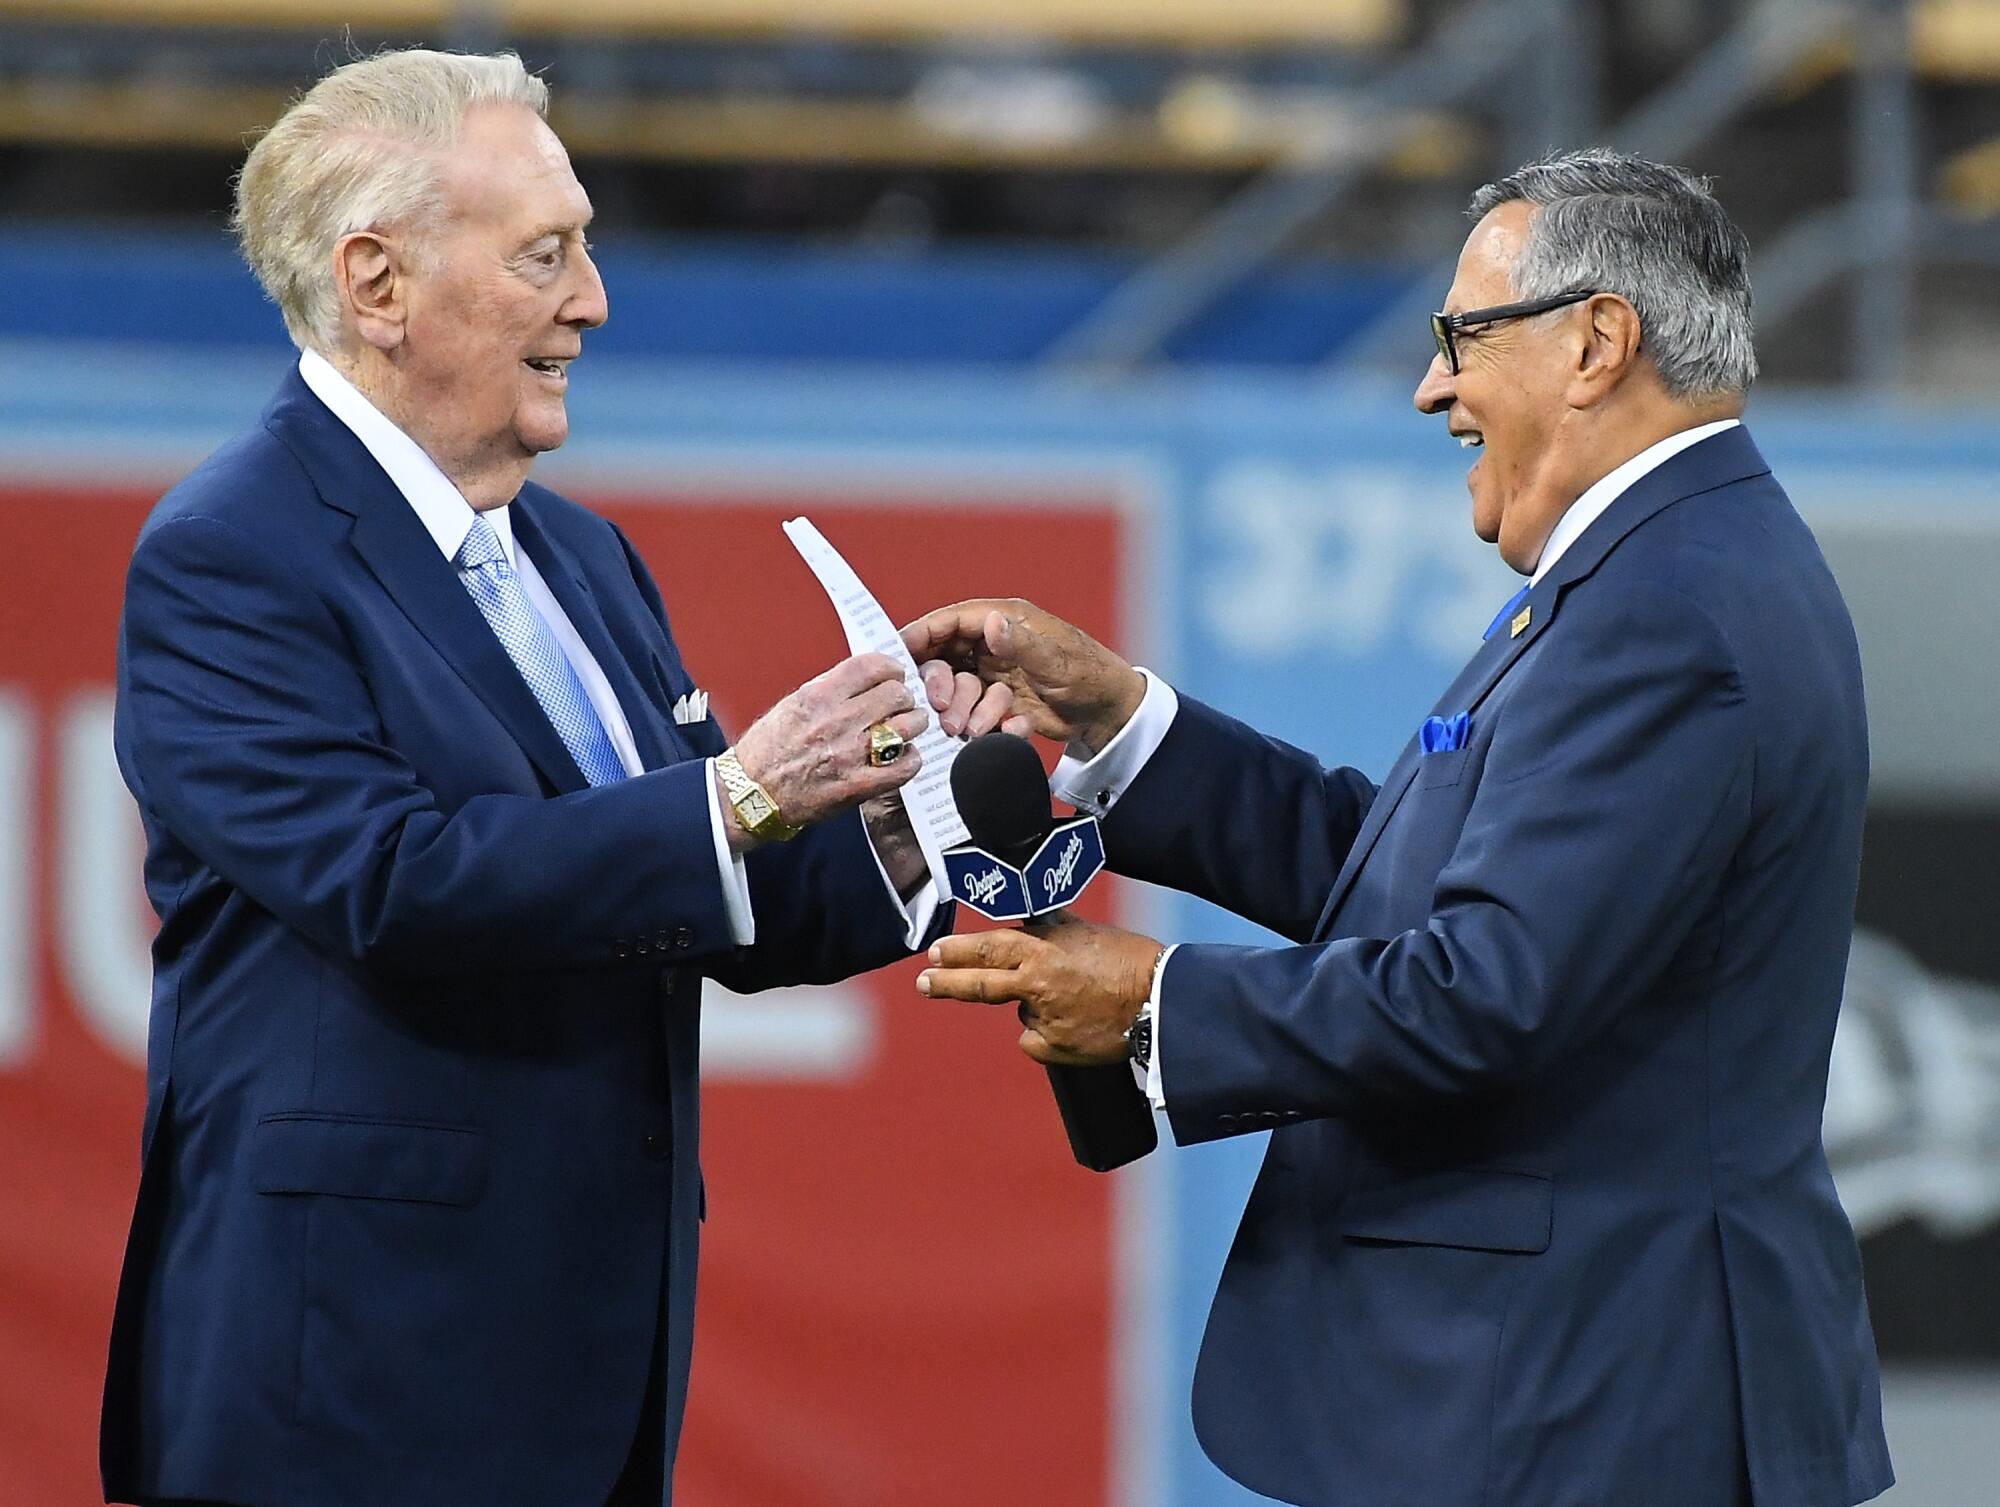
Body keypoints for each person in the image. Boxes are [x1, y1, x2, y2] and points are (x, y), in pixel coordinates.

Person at [911, 150, 1893, 1507]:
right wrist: (1126, 724)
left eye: (1460, 338)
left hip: (1588, 1408)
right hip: (1572, 1397)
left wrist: (1158, 1003)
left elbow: (1488, 990)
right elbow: (1428, 892)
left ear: (1595, 343)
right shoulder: (1673, 565)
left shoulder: (1667, 606)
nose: (1433, 387)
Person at [99, 48, 1005, 1507]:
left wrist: (923, 795)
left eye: (584, 247)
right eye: (547, 255)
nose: (593, 300)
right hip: (344, 1393)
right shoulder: (229, 555)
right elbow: (394, 883)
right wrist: (746, 792)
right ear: (377, 282)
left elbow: (713, 896)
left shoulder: (578, 554)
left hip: (581, 1376)